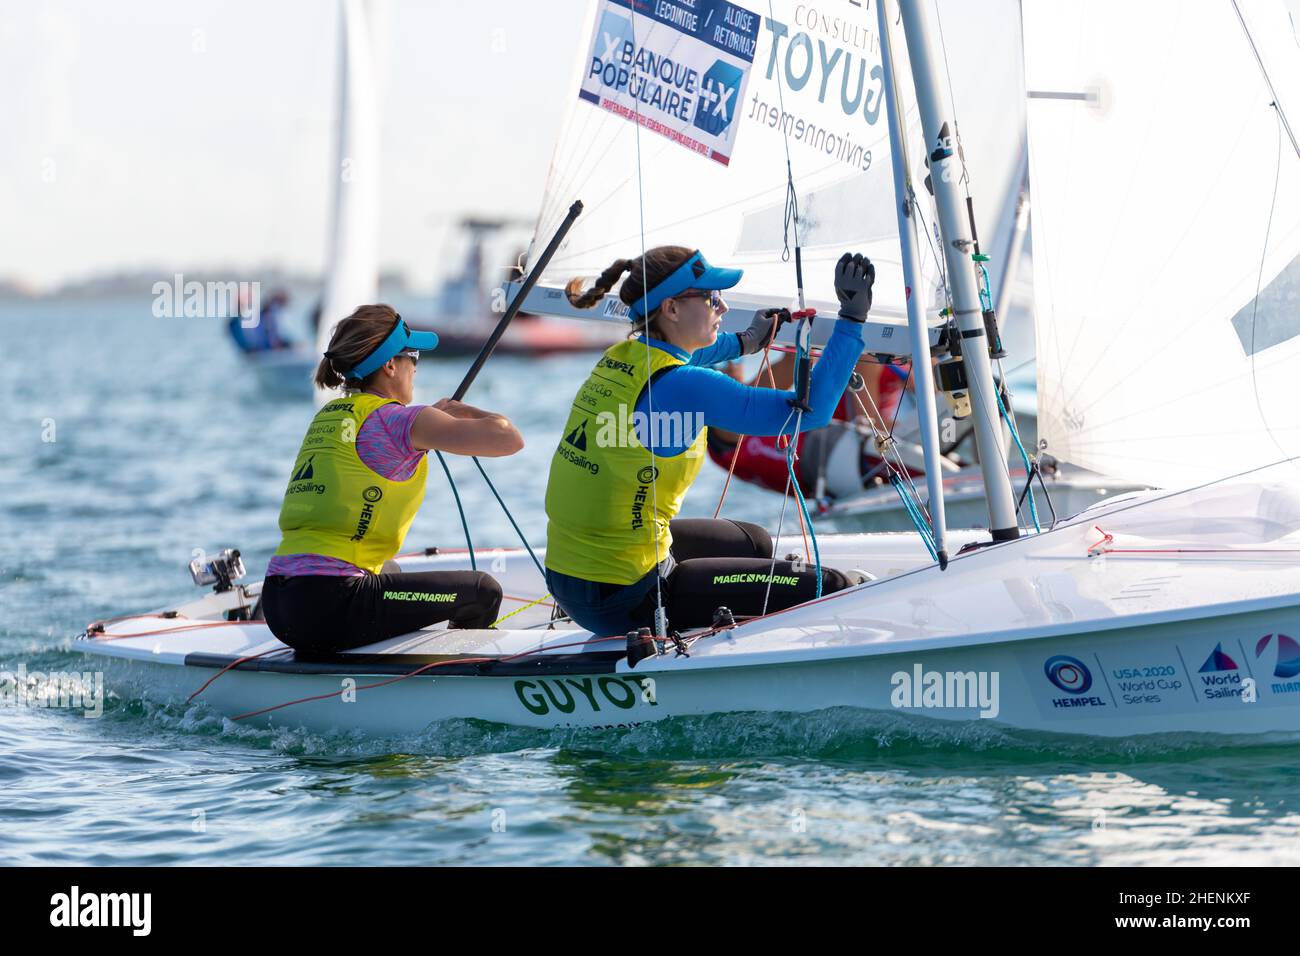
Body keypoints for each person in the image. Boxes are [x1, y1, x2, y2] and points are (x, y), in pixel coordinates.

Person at [544, 245, 874, 637]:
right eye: (711, 298)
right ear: (671, 309)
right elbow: (810, 411)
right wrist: (852, 320)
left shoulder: (623, 356)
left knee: (754, 543)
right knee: (830, 585)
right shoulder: (686, 385)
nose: (722, 307)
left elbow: (686, 356)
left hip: (570, 580)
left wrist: (746, 342)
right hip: (629, 598)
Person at [260, 304, 524, 657]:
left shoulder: (329, 415)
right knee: (482, 592)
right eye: (412, 356)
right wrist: (461, 411)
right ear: (389, 365)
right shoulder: (401, 422)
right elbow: (509, 439)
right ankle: (443, 684)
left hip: (279, 601)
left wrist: (427, 423)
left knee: (391, 570)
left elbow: (385, 441)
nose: (415, 367)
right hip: (329, 605)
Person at [707, 353, 912, 500]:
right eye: (720, 365)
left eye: (736, 358)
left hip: (840, 464)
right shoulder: (723, 424)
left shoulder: (741, 409)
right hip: (833, 463)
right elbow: (793, 362)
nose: (732, 366)